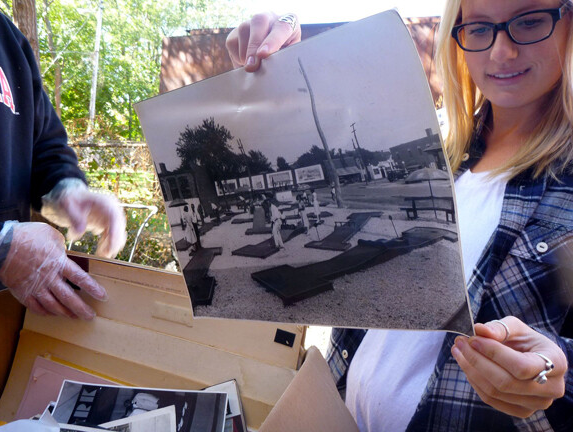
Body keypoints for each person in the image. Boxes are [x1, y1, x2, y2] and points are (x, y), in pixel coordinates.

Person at [226, 2, 572, 431]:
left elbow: (558, 369)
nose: (501, 52)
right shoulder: (443, 155)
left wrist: (559, 373)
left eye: (530, 20)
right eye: (480, 28)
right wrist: (278, 64)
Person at [0, 11, 126, 321]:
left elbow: (44, 144)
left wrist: (66, 188)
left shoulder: (7, 38)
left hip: (7, 308)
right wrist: (1, 246)